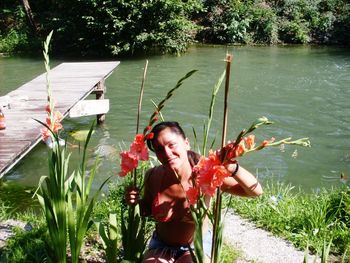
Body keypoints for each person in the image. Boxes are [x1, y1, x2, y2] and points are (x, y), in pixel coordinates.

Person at [126, 121, 263, 263]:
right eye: (159, 149)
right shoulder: (153, 176)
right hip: (161, 245)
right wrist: (133, 201)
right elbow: (146, 210)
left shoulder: (205, 173)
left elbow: (255, 191)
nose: (167, 153)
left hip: (197, 245)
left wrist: (233, 168)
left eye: (171, 145)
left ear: (186, 143)